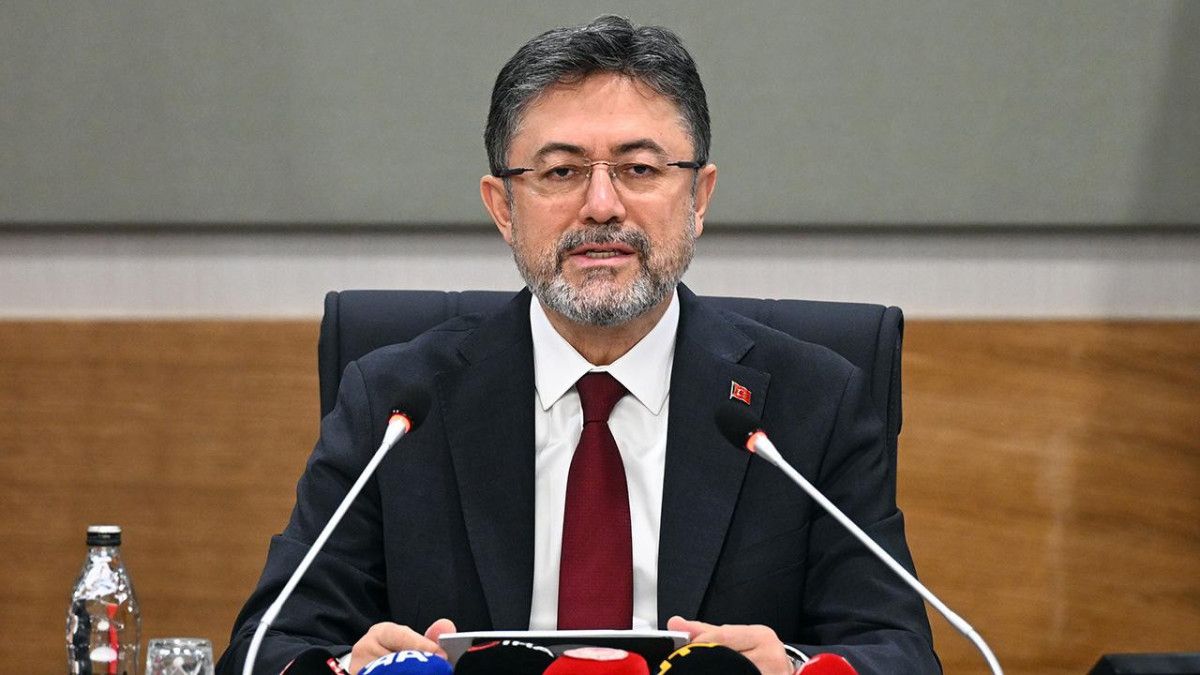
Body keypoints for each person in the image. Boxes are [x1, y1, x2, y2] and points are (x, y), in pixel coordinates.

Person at [218, 16, 939, 675]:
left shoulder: (811, 405)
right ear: (503, 207)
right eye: (561, 171)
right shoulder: (398, 407)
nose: (601, 206)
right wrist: (347, 665)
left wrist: (793, 666)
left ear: (699, 198)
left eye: (640, 169)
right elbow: (265, 648)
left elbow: (899, 651)